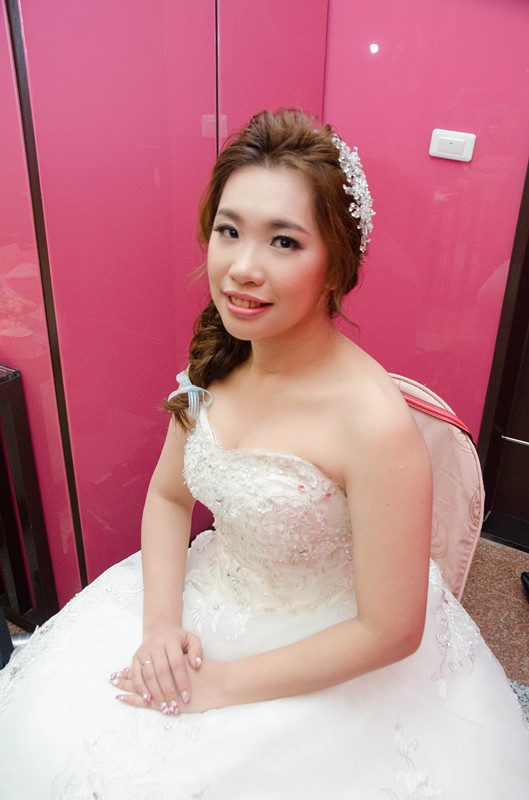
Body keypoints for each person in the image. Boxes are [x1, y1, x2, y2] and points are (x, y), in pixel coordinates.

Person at [0, 109, 528, 799]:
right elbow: (167, 496)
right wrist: (161, 626)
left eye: (283, 241)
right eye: (229, 231)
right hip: (208, 595)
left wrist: (220, 686)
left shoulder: (372, 423)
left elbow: (390, 631)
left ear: (336, 264)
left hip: (330, 645)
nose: (242, 269)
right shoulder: (219, 357)